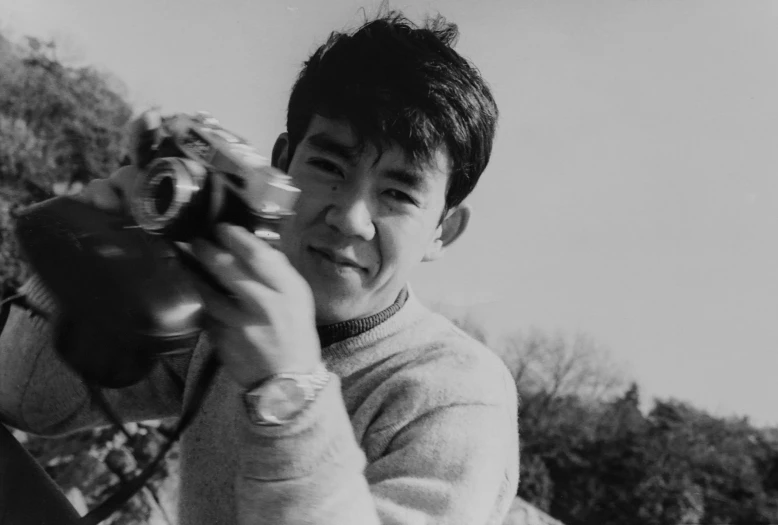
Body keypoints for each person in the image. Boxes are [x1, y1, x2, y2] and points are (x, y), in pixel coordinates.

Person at [0, 9, 519, 525]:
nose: (350, 218)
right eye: (328, 167)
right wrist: (103, 241)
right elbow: (26, 400)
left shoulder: (458, 394)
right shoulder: (227, 295)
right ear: (283, 164)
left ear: (443, 231)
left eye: (399, 193)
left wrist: (288, 387)